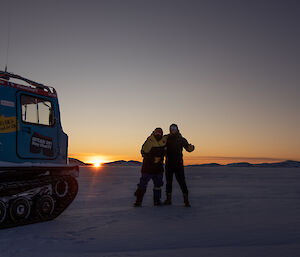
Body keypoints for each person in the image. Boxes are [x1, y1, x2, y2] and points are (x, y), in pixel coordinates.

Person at [134, 128, 167, 207]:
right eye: (157, 132)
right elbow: (143, 152)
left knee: (158, 186)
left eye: (160, 133)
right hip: (147, 168)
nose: (158, 134)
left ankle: (157, 201)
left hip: (158, 169)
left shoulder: (164, 141)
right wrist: (152, 158)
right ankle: (138, 201)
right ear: (154, 132)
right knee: (142, 184)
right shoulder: (149, 141)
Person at [164, 124, 195, 207]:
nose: (173, 130)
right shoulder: (166, 138)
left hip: (178, 164)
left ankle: (186, 200)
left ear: (177, 129)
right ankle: (168, 200)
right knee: (168, 183)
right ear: (170, 129)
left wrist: (191, 148)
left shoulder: (181, 139)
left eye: (174, 128)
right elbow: (160, 145)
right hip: (168, 164)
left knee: (182, 182)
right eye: (171, 128)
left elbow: (188, 148)